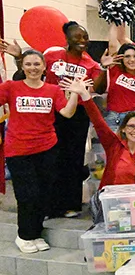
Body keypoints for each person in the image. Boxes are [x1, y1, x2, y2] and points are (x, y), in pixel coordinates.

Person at [2, 22, 109, 218]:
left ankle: (69, 204)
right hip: (50, 110)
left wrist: (103, 67)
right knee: (52, 160)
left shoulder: (90, 63)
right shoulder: (52, 56)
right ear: (66, 39)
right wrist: (18, 57)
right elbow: (31, 74)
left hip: (76, 114)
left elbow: (100, 89)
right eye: (76, 37)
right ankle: (46, 206)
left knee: (74, 159)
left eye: (85, 38)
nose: (82, 41)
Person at [0, 50, 87, 253]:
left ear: (44, 67)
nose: (33, 68)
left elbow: (67, 112)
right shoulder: (12, 87)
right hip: (19, 150)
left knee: (43, 194)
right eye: (28, 64)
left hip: (47, 149)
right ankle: (25, 235)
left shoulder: (53, 90)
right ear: (22, 66)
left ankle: (36, 232)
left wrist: (74, 92)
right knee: (27, 194)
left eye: (37, 64)